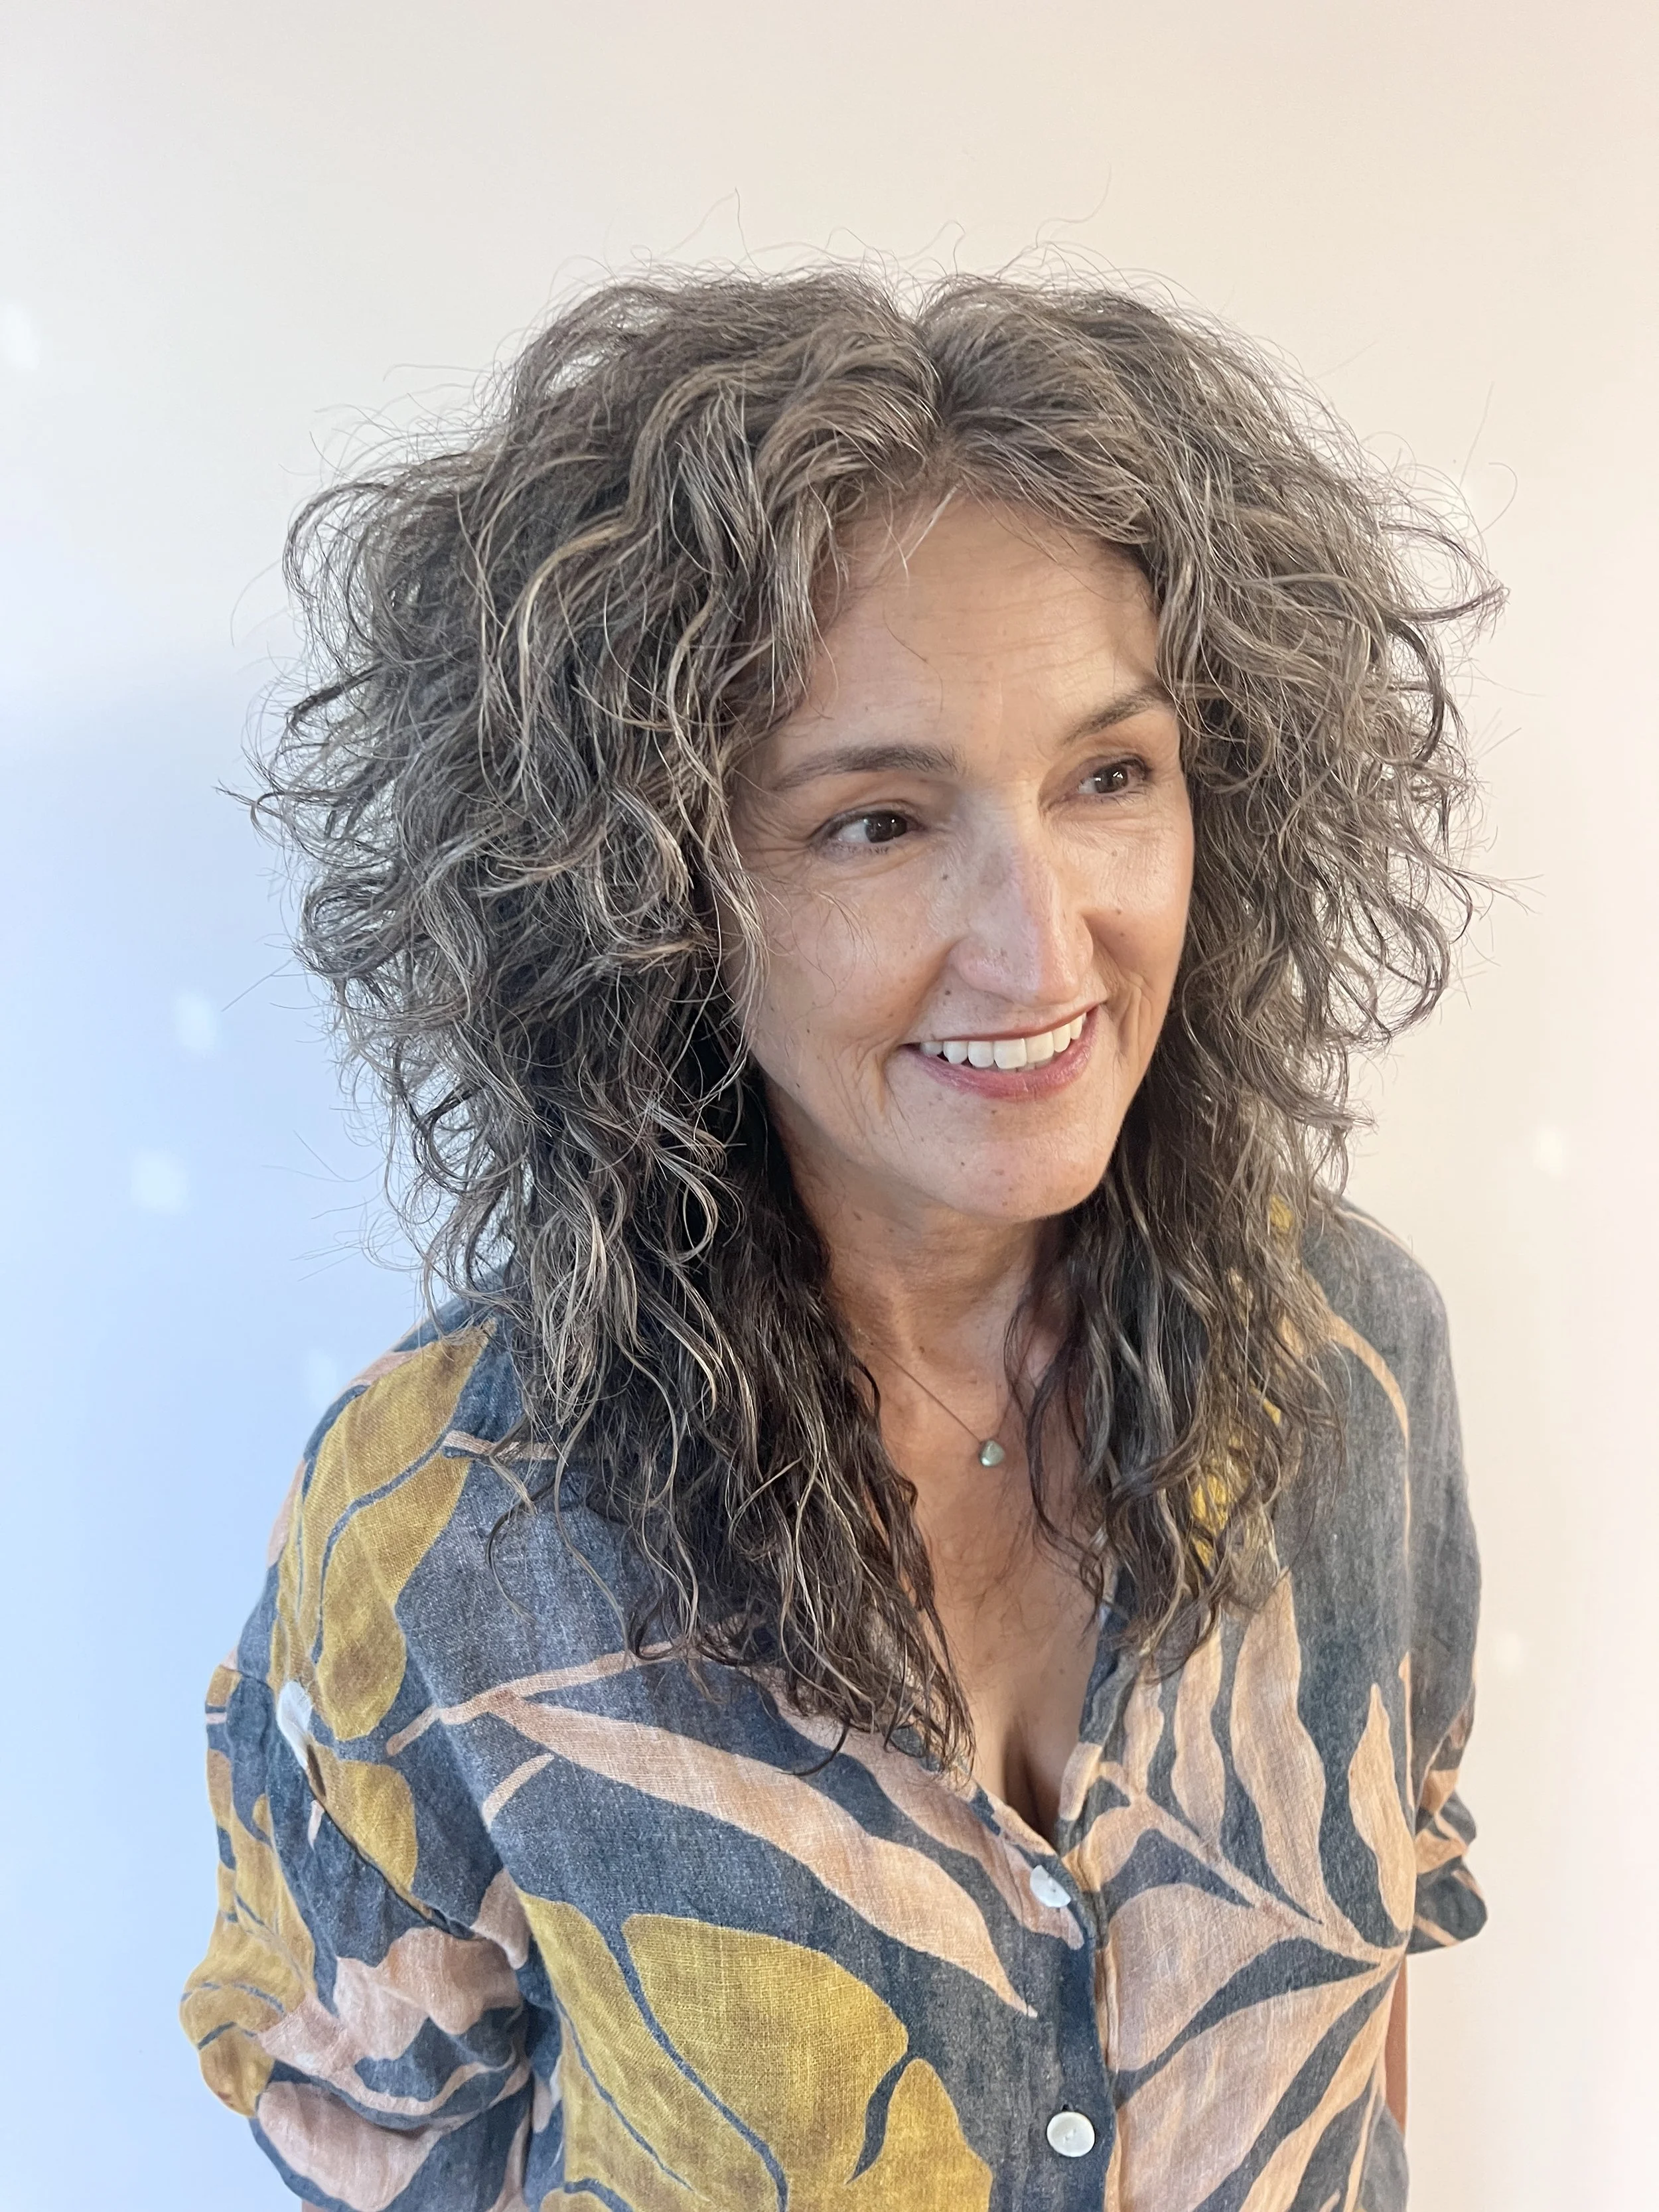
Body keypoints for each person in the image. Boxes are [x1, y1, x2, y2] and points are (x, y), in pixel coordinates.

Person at [181, 270, 1491, 2212]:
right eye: (877, 822)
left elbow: (1374, 1965)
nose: (1044, 952)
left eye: (1106, 777)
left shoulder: (1349, 1351)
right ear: (642, 890)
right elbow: (387, 2144)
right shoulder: (444, 1516)